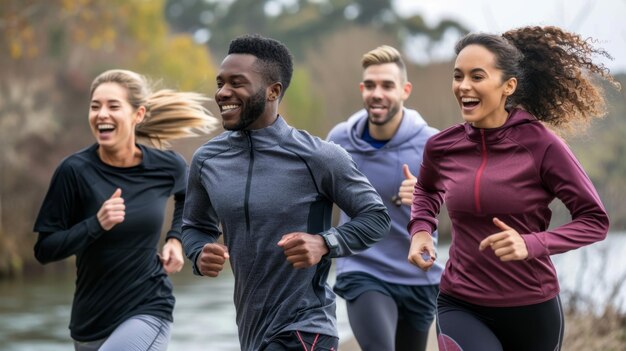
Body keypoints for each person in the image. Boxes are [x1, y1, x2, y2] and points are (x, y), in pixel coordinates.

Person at [407, 26, 620, 351]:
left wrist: (532, 243)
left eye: (477, 76)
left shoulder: (541, 145)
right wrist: (422, 229)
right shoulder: (441, 146)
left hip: (531, 308)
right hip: (460, 302)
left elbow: (594, 220)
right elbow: (426, 190)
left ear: (508, 86)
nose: (464, 86)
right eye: (458, 76)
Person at [181, 34, 391, 351]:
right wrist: (199, 252)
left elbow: (376, 217)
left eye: (236, 83)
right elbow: (194, 227)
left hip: (306, 329)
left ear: (273, 91)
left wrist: (324, 242)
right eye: (220, 82)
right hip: (252, 333)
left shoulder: (319, 157)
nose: (223, 93)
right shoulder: (207, 161)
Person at [33, 69, 218, 351]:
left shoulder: (166, 166)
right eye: (95, 107)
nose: (102, 114)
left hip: (147, 309)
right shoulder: (74, 171)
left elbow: (188, 199)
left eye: (113, 106)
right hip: (88, 324)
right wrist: (96, 223)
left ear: (138, 114)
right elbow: (45, 249)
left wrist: (175, 240)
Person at [326, 45, 442, 351]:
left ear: (405, 90)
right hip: (362, 268)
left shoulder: (432, 142)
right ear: (362, 89)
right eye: (371, 85)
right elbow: (314, 195)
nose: (378, 93)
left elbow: (462, 199)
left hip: (419, 272)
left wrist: (426, 194)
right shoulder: (338, 140)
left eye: (387, 85)